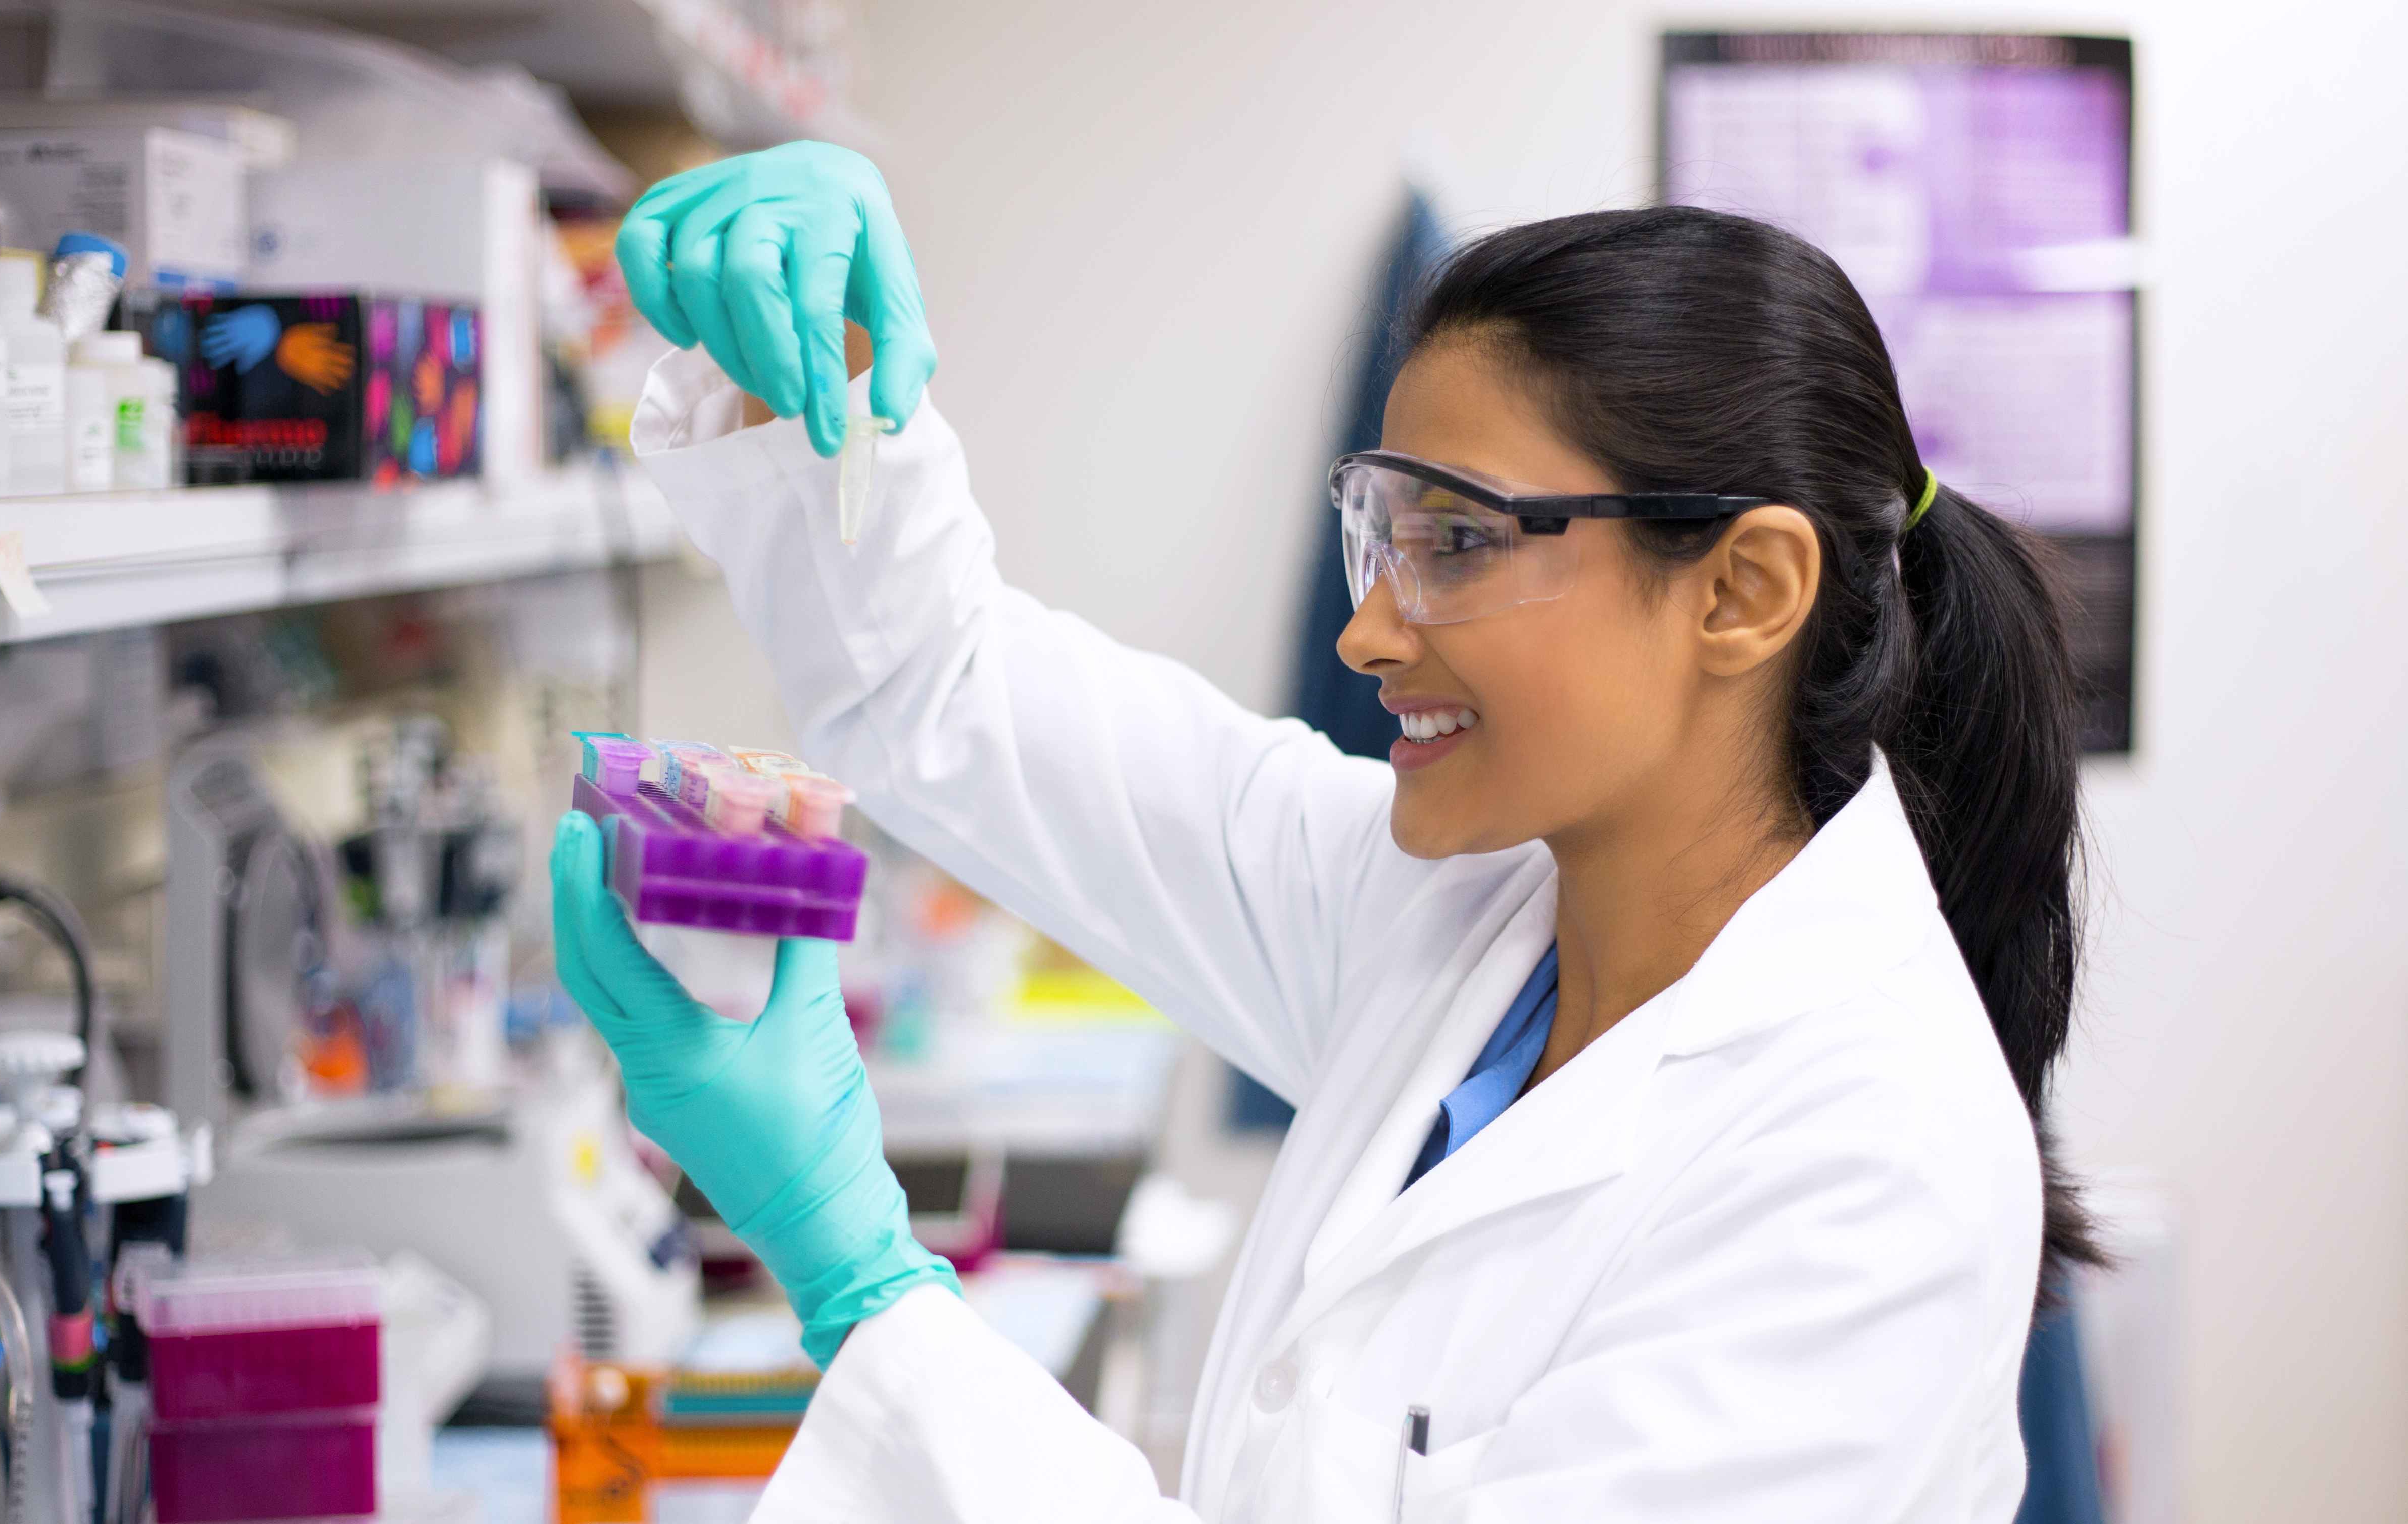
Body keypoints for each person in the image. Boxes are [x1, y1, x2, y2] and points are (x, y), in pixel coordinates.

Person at [550, 141, 2094, 1522]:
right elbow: (945, 691)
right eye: (1385, 531)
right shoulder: (1463, 920)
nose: (1367, 633)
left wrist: (863, 1280)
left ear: (1742, 592)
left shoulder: (1869, 1168)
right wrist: (818, 381)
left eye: (1461, 543)